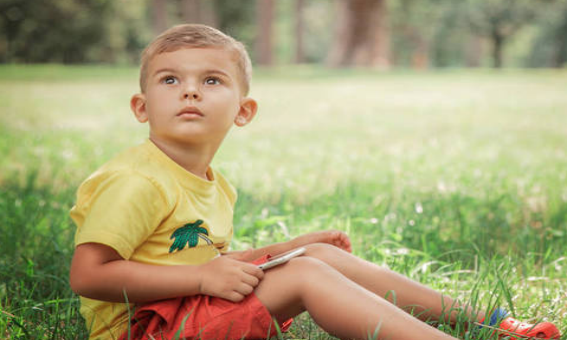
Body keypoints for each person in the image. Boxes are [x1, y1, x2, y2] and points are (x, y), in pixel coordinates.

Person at [68, 24, 561, 340]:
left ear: (243, 112)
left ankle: (488, 321)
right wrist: (202, 278)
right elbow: (89, 276)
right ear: (141, 106)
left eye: (212, 80)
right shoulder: (135, 180)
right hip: (146, 328)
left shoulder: (213, 182)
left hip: (182, 304)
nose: (191, 89)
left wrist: (288, 246)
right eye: (170, 80)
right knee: (307, 277)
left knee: (312, 258)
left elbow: (197, 262)